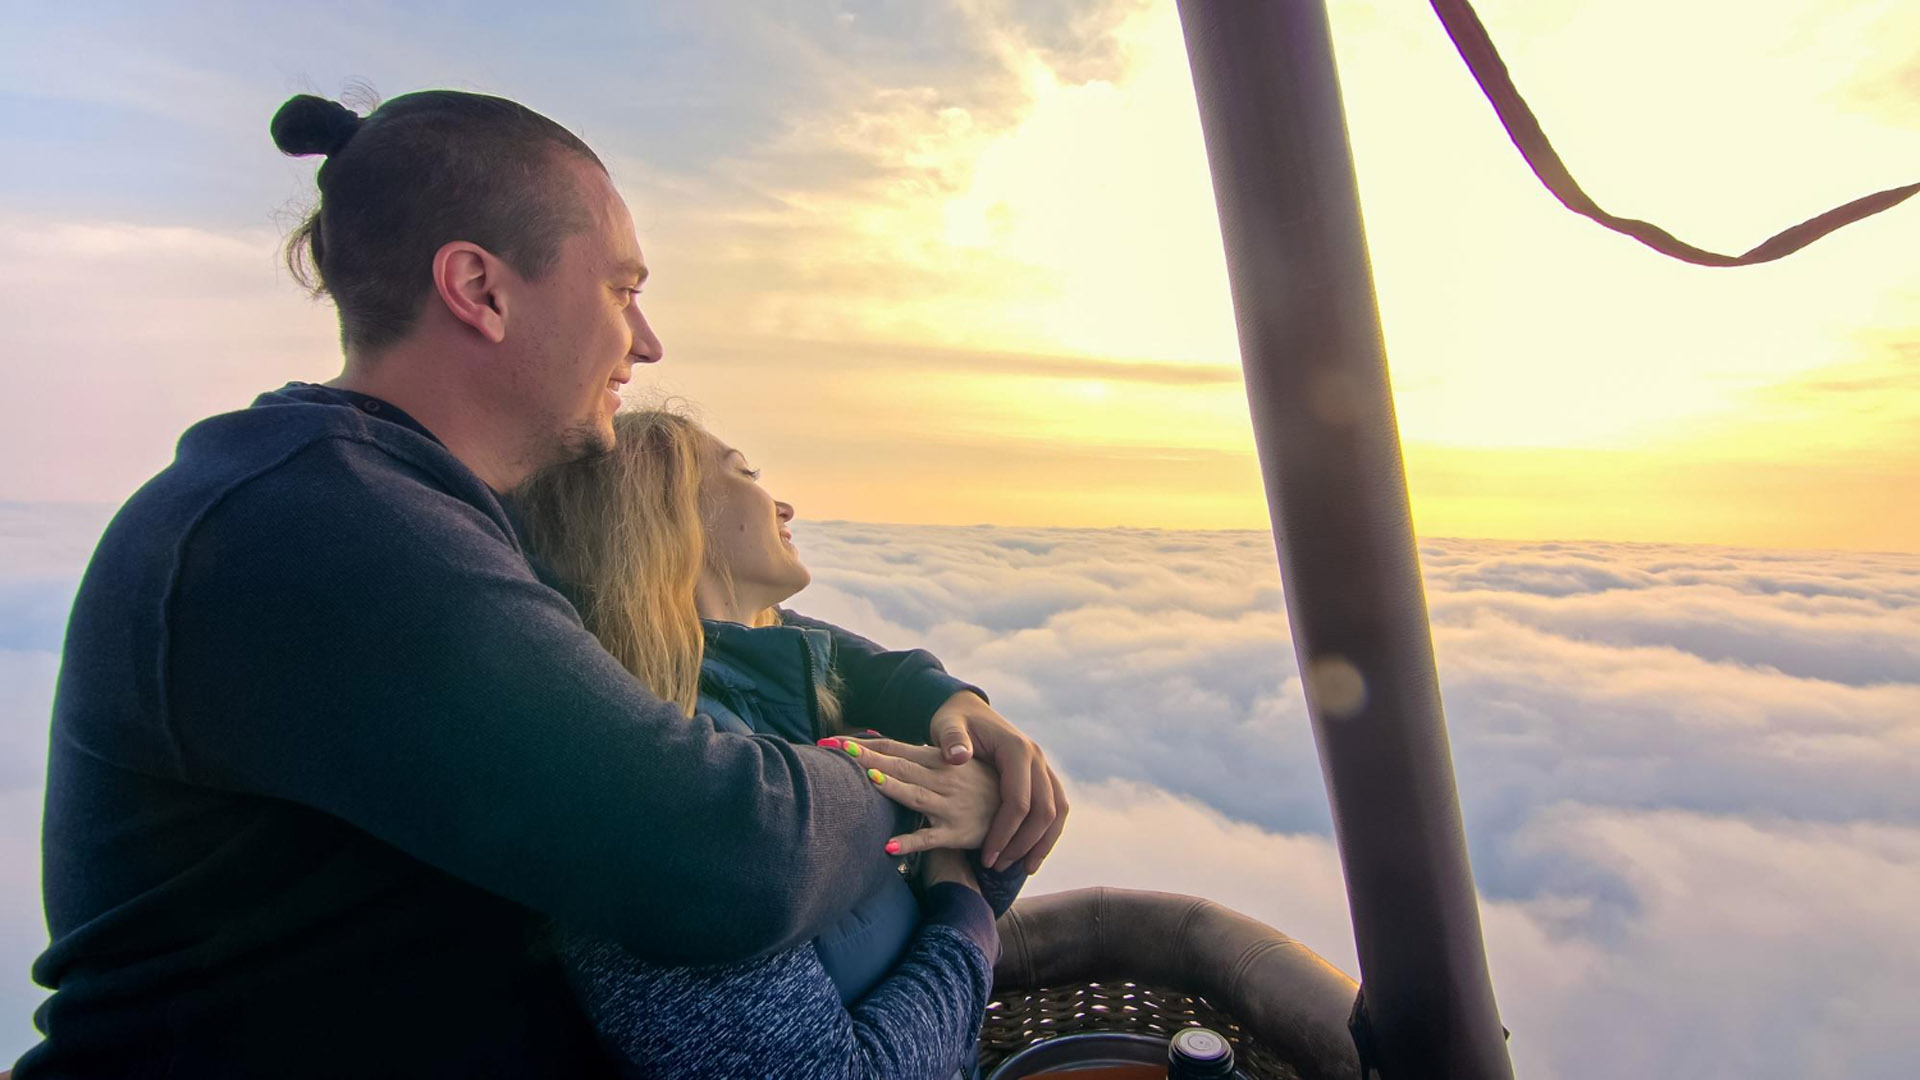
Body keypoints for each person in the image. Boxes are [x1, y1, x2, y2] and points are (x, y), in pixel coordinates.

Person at [17, 90, 1064, 1078]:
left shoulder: (424, 515)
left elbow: (760, 635)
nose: (644, 344)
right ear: (480, 289)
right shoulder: (324, 529)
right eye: (623, 291)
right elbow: (720, 859)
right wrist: (918, 790)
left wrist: (943, 702)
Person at [513, 409, 1033, 1078]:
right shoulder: (661, 802)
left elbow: (954, 879)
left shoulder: (795, 703)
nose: (782, 502)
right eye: (745, 473)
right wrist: (962, 911)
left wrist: (982, 810)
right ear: (665, 518)